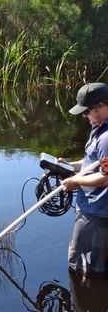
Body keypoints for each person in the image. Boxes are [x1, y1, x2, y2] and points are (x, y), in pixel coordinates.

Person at [60, 82, 108, 276]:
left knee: (81, 265)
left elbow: (106, 178)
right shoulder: (99, 128)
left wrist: (76, 182)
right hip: (94, 209)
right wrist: (69, 166)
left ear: (101, 106)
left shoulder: (106, 138)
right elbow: (94, 163)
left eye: (87, 111)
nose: (84, 116)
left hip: (97, 213)